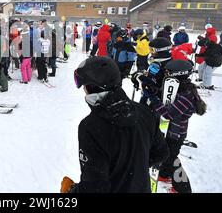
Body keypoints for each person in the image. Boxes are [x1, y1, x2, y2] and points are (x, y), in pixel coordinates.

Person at [61, 57, 169, 193]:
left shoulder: (91, 127)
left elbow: (95, 189)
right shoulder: (144, 111)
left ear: (91, 88)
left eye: (84, 86)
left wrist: (71, 190)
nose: (84, 90)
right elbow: (161, 153)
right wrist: (133, 167)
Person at [153, 60, 206, 193]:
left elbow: (168, 113)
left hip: (176, 134)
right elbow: (165, 99)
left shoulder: (187, 95)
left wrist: (154, 101)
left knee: (172, 159)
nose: (166, 75)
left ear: (178, 74)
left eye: (168, 73)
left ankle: (182, 189)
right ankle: (164, 175)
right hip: (170, 130)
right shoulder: (177, 87)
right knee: (166, 154)